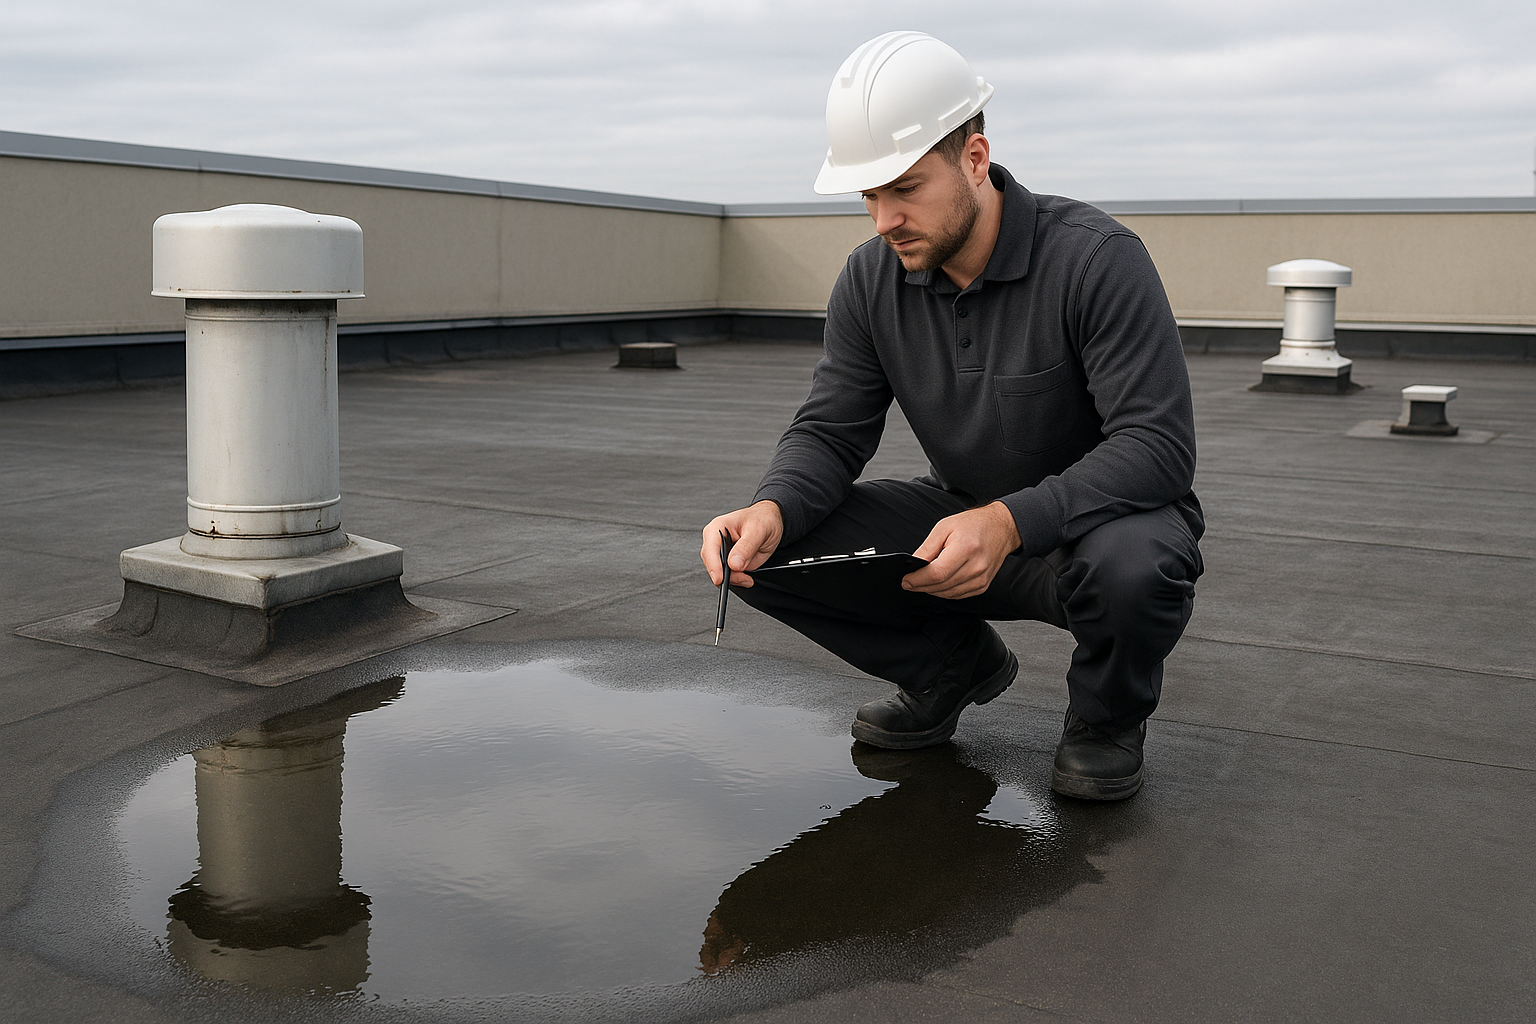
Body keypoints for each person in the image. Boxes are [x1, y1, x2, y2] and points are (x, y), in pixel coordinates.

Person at [700, 31, 1204, 801]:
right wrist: (772, 504)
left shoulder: (1098, 259)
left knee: (1139, 564)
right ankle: (949, 670)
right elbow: (831, 430)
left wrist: (1007, 521)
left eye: (904, 187)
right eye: (868, 196)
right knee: (759, 551)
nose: (882, 219)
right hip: (956, 526)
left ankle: (1104, 721)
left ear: (974, 158)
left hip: (1093, 533)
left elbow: (1158, 447)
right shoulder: (871, 279)